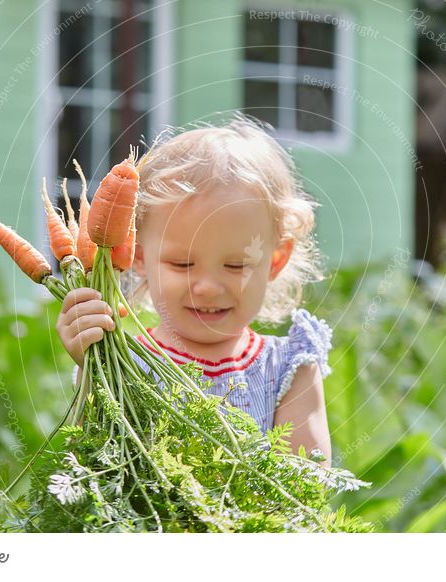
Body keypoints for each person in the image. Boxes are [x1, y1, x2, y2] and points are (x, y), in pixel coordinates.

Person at [56, 115, 333, 466]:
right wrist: (91, 365)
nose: (206, 287)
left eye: (236, 266)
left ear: (275, 261)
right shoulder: (124, 364)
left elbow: (308, 483)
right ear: (139, 255)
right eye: (182, 265)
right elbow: (91, 465)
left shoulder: (288, 370)